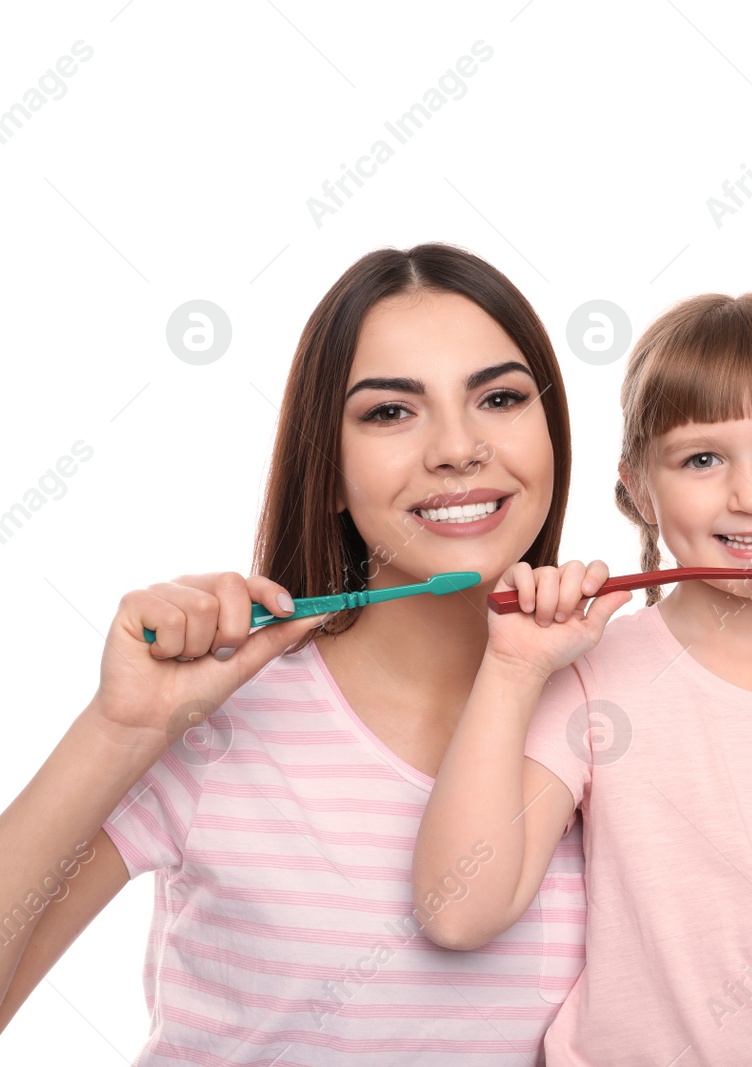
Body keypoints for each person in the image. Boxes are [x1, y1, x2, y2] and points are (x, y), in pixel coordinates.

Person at [0, 243, 600, 1065]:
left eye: (499, 397)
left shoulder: (615, 710)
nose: (459, 448)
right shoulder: (218, 714)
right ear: (326, 468)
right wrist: (119, 726)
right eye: (391, 411)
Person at [413, 292, 752, 1065]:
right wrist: (511, 666)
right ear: (639, 487)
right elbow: (457, 910)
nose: (749, 495)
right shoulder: (593, 673)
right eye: (702, 459)